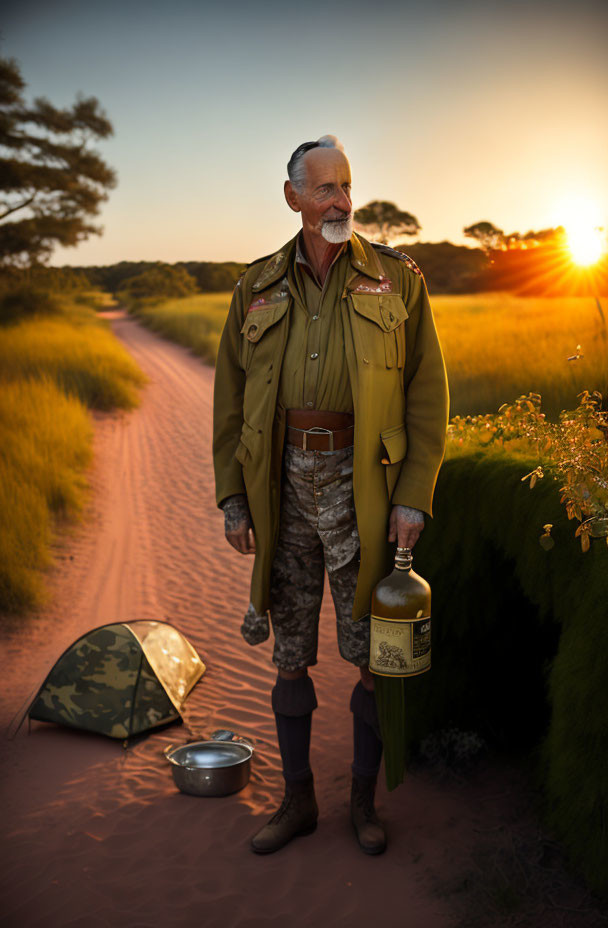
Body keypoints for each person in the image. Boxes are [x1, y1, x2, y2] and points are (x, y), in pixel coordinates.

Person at [212, 135, 449, 855]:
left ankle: (362, 806)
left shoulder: (398, 280)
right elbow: (228, 400)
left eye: (347, 185)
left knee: (373, 655)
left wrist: (413, 497)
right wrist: (232, 497)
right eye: (324, 189)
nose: (342, 201)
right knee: (290, 652)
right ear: (293, 198)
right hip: (280, 489)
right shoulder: (253, 287)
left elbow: (427, 397)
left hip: (364, 490)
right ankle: (298, 803)